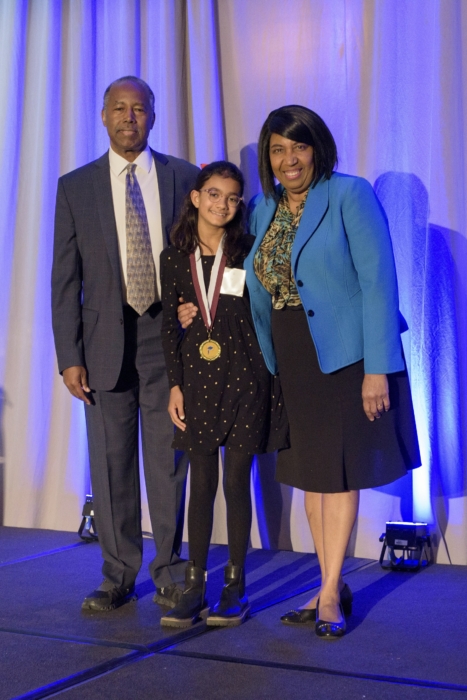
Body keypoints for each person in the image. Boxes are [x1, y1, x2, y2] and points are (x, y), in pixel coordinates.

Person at [177, 105, 421, 638]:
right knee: (312, 475)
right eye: (278, 150)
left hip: (344, 357)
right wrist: (188, 307)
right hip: (287, 359)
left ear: (318, 148)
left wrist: (378, 368)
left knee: (338, 473)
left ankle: (330, 592)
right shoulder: (261, 208)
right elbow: (232, 273)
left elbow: (380, 282)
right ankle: (327, 581)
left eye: (299, 147)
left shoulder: (350, 194)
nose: (289, 159)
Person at [51, 76, 199, 612]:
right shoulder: (76, 186)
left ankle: (170, 572)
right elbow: (65, 278)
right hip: (103, 345)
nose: (129, 117)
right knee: (111, 461)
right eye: (119, 108)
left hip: (168, 340)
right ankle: (117, 574)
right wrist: (69, 356)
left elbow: (204, 257)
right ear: (103, 116)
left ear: (153, 116)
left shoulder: (185, 177)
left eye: (138, 108)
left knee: (168, 462)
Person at [158, 161, 286, 628]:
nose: (223, 205)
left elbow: (264, 310)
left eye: (232, 198)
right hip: (197, 381)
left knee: (236, 483)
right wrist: (175, 384)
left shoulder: (247, 250)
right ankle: (194, 585)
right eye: (214, 194)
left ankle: (235, 584)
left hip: (247, 378)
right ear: (196, 198)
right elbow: (168, 325)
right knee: (201, 484)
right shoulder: (174, 258)